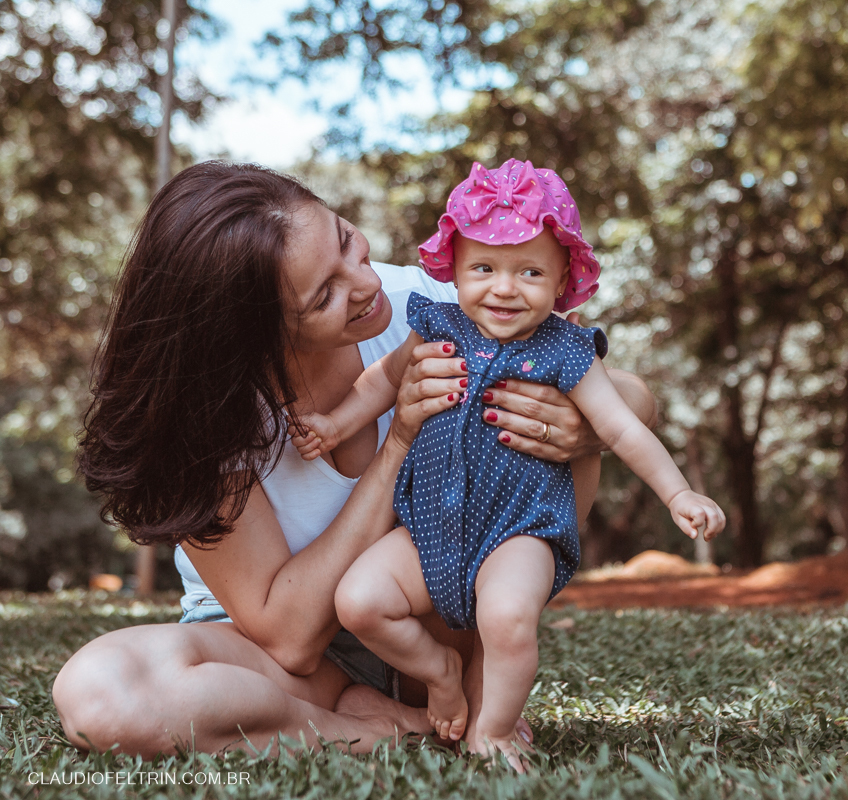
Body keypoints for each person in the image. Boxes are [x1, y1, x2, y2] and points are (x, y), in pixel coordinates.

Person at [51, 161, 657, 757]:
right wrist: (398, 442)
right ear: (253, 334)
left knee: (563, 422)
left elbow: (623, 391)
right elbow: (289, 638)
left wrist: (580, 426)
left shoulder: (424, 302)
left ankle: (456, 686)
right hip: (288, 663)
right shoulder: (202, 419)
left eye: (345, 240)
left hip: (432, 623)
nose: (363, 285)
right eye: (325, 296)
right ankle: (380, 727)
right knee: (101, 695)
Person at [291, 159, 725, 769]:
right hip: (428, 530)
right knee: (360, 600)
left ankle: (491, 728)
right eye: (484, 269)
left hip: (517, 530)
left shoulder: (567, 351)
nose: (503, 288)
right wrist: (336, 424)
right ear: (456, 270)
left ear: (561, 279)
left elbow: (622, 425)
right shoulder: (436, 323)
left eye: (529, 272)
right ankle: (440, 671)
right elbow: (380, 383)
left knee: (509, 619)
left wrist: (679, 495)